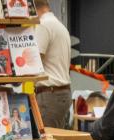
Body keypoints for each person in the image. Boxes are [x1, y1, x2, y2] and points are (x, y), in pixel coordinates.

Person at [32, 0, 73, 130]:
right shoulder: (59, 25)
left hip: (50, 94)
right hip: (61, 93)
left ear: (33, 9)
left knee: (47, 139)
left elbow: (35, 60)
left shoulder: (43, 25)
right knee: (56, 138)